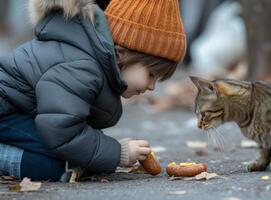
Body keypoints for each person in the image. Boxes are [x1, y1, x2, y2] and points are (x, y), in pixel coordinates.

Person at [0, 0, 186, 181]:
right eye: (151, 75)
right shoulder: (82, 67)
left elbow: (68, 123)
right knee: (51, 166)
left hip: (14, 112)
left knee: (72, 158)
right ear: (124, 53)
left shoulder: (92, 60)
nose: (152, 86)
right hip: (5, 110)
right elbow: (62, 132)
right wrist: (118, 152)